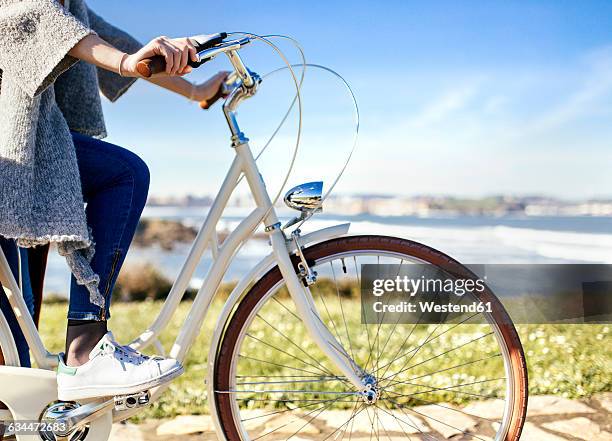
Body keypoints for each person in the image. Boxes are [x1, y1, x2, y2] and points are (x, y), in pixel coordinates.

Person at [0, 0, 228, 400]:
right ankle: (85, 349)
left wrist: (193, 90)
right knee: (123, 174)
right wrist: (125, 61)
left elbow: (104, 39)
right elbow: (38, 18)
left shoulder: (72, 4)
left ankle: (81, 354)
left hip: (25, 148)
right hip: (13, 150)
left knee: (16, 361)